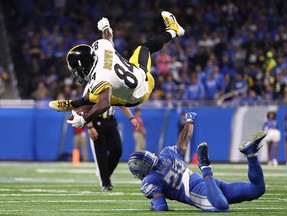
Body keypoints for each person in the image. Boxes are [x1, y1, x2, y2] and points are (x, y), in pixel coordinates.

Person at [48, 11, 185, 128]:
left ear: (85, 66)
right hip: (136, 70)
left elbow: (105, 104)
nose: (76, 74)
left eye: (77, 70)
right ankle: (173, 31)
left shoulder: (101, 77)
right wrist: (106, 27)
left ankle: (71, 104)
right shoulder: (100, 48)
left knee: (94, 96)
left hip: (140, 93)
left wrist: (85, 119)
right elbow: (107, 37)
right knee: (144, 49)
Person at [128, 112, 266, 212]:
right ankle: (251, 155)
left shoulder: (150, 180)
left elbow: (161, 207)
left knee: (221, 206)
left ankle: (205, 166)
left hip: (196, 192)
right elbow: (184, 140)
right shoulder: (167, 153)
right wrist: (189, 122)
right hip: (206, 184)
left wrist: (154, 204)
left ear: (141, 168)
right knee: (257, 189)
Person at [87, 105, 138, 191]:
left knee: (117, 150)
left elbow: (121, 103)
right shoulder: (91, 90)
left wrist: (131, 117)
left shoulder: (115, 91)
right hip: (97, 120)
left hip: (111, 120)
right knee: (101, 152)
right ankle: (105, 183)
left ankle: (104, 174)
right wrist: (90, 126)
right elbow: (86, 107)